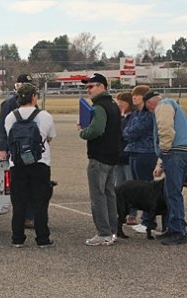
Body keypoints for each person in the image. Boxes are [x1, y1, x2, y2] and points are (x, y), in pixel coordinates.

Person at [4, 83, 56, 248]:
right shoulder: (45, 116)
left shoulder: (10, 117)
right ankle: (42, 238)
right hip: (40, 163)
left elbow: (9, 138)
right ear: (34, 97)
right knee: (40, 202)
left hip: (17, 163)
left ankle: (17, 238)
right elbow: (50, 137)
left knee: (19, 202)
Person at [144, 91, 187, 245]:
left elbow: (165, 129)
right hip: (180, 152)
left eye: (148, 109)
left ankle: (178, 231)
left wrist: (164, 152)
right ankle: (173, 228)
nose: (151, 112)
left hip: (174, 153)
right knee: (171, 192)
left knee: (172, 193)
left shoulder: (163, 105)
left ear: (150, 103)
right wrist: (161, 162)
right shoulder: (174, 105)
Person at [78, 73, 121, 246]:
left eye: (91, 86)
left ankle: (103, 233)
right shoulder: (113, 105)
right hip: (112, 156)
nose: (88, 89)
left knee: (98, 196)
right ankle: (112, 231)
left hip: (99, 157)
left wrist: (82, 131)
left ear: (102, 87)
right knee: (109, 194)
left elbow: (96, 130)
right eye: (87, 86)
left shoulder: (99, 107)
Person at [0, 73, 36, 228]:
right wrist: (1, 148)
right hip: (15, 148)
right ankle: (24, 217)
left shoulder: (33, 102)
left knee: (31, 183)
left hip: (30, 149)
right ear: (17, 85)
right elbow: (1, 127)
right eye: (24, 84)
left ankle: (30, 216)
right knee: (20, 184)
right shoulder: (9, 103)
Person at [123, 85, 157, 233]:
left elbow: (135, 131)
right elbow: (126, 131)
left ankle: (149, 220)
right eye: (133, 95)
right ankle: (145, 220)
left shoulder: (149, 114)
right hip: (134, 151)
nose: (134, 97)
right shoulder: (136, 114)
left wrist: (129, 132)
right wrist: (129, 132)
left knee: (146, 187)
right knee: (138, 187)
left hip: (146, 152)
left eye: (137, 95)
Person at [114, 92, 136, 225]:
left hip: (129, 156)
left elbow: (125, 133)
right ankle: (121, 212)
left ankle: (132, 213)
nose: (120, 104)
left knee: (131, 185)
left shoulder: (133, 117)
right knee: (119, 187)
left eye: (122, 101)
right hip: (118, 156)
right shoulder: (119, 116)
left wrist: (121, 118)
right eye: (118, 102)